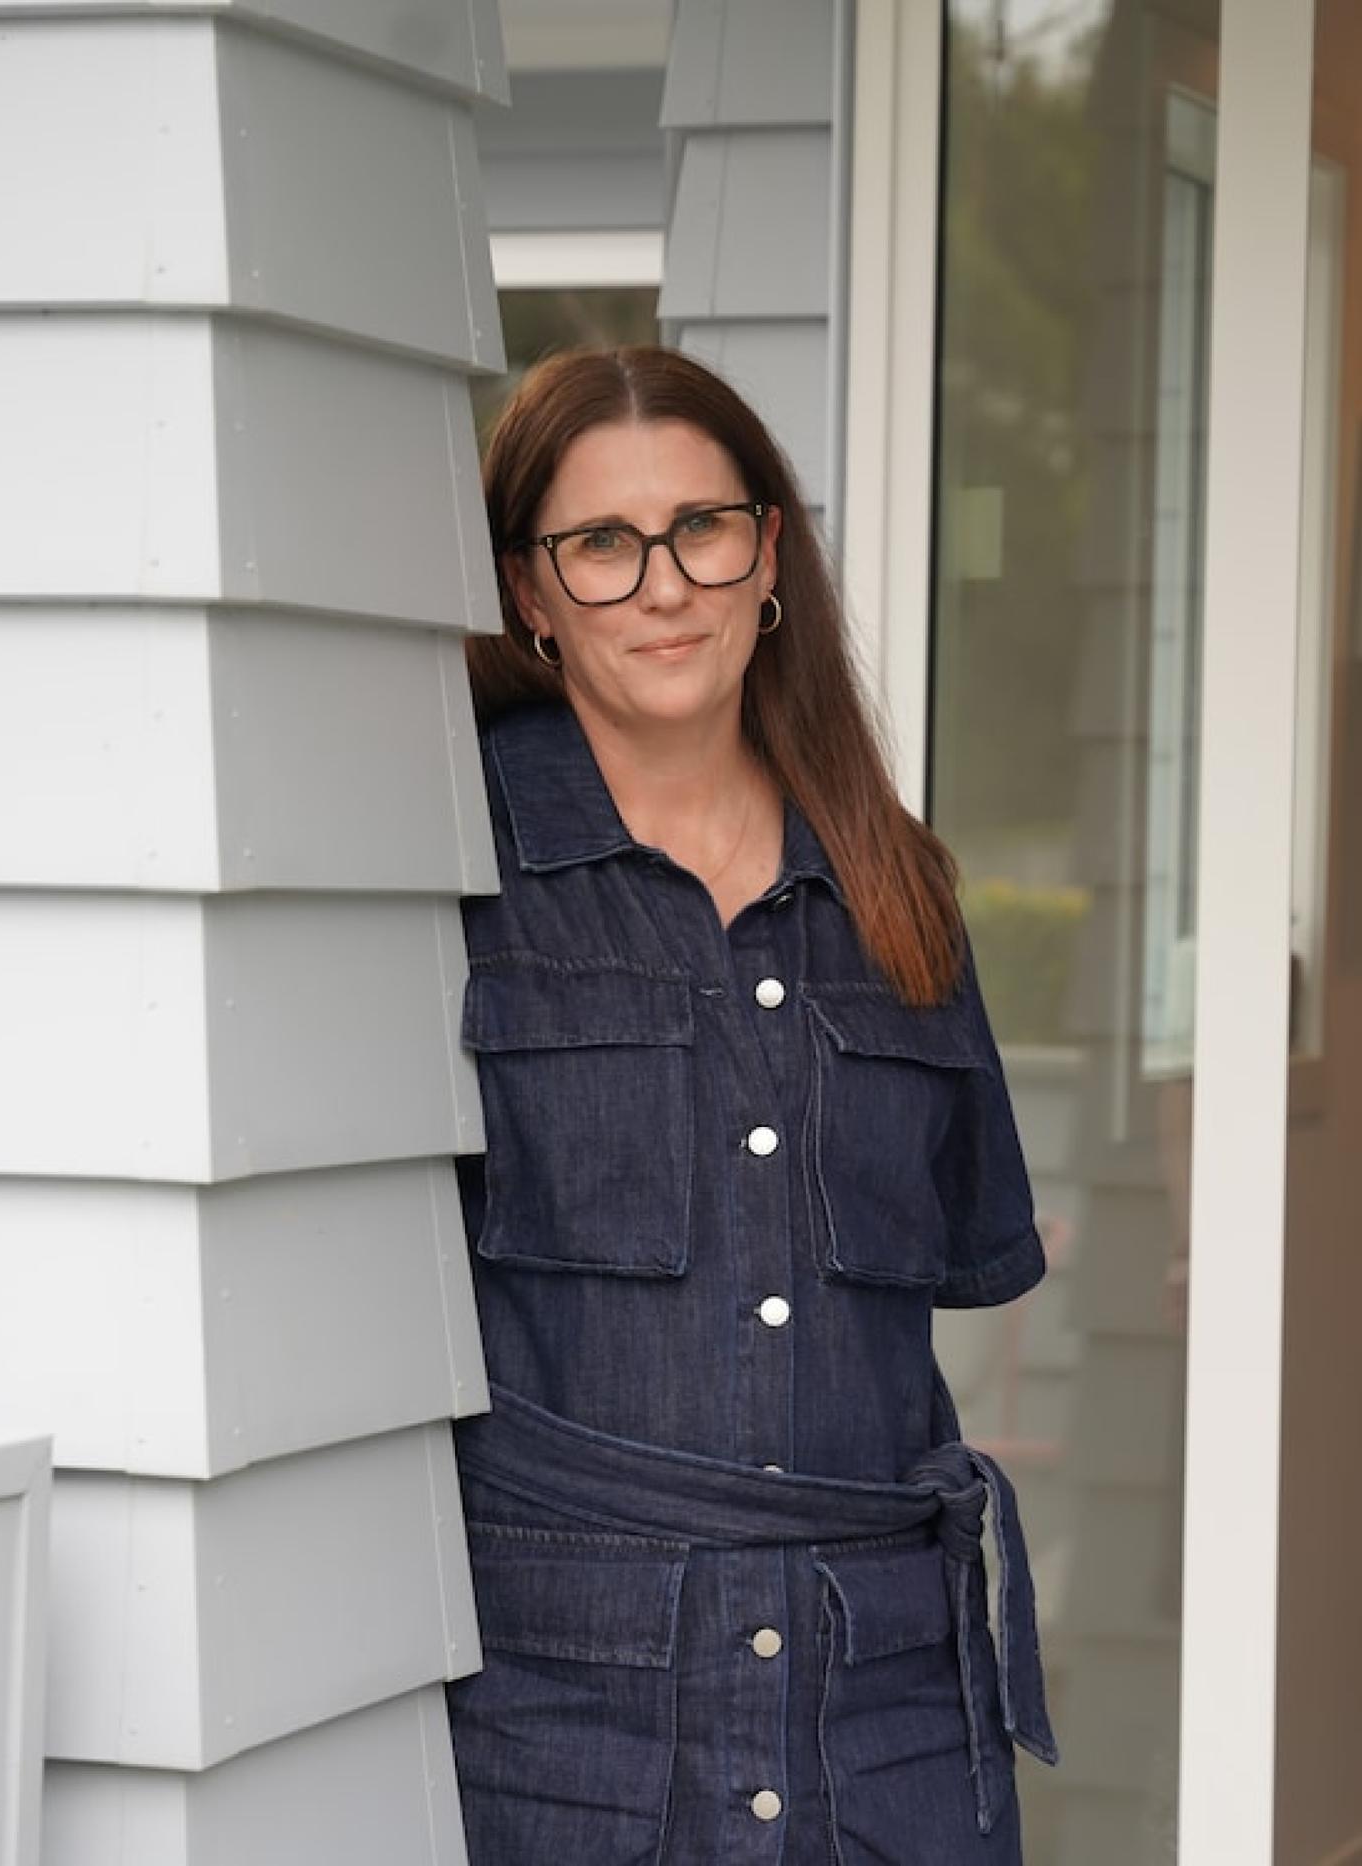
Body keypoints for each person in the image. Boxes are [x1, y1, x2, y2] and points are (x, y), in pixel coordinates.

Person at [446, 346, 1056, 1866]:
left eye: (703, 528)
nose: (664, 585)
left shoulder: (893, 879)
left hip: (889, 1729)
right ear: (529, 589)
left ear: (768, 550)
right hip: (571, 1735)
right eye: (600, 544)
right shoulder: (450, 869)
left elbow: (966, 1265)